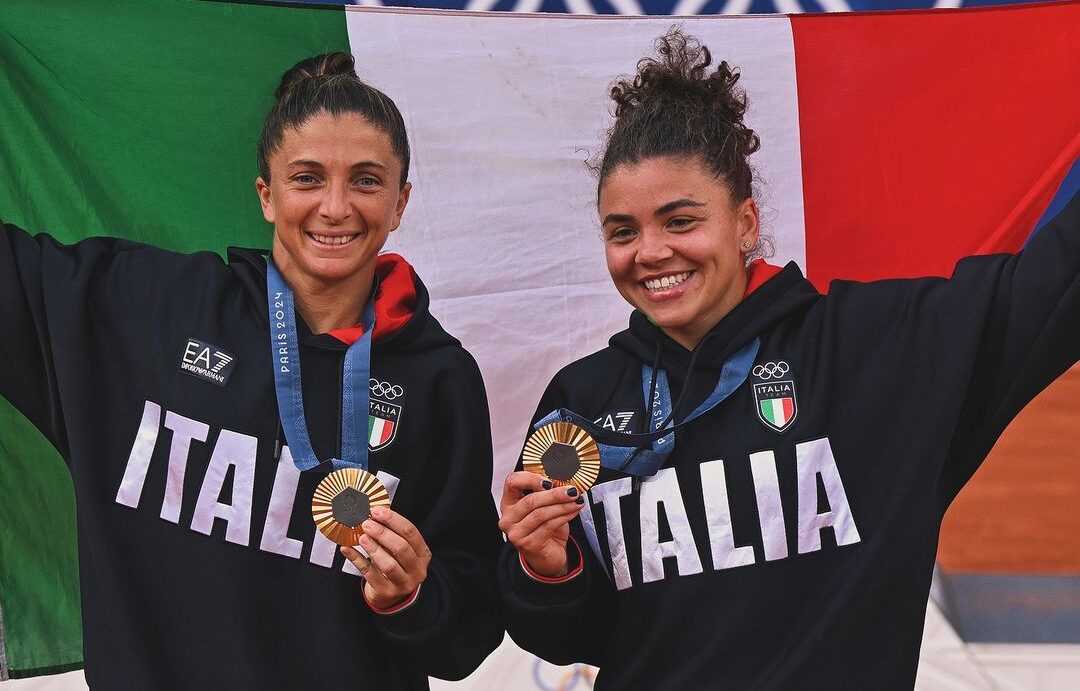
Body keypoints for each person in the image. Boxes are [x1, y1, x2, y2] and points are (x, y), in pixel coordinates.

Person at [496, 28, 1080, 690]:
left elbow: (1058, 283)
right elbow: (570, 636)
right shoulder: (582, 402)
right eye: (623, 231)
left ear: (745, 222)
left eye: (681, 221)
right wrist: (546, 568)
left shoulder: (876, 349)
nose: (650, 252)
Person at [0, 52, 503, 689]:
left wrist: (411, 596)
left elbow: (469, 635)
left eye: (367, 181)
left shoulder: (439, 380)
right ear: (266, 194)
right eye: (307, 178)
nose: (336, 207)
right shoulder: (149, 311)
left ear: (401, 202)